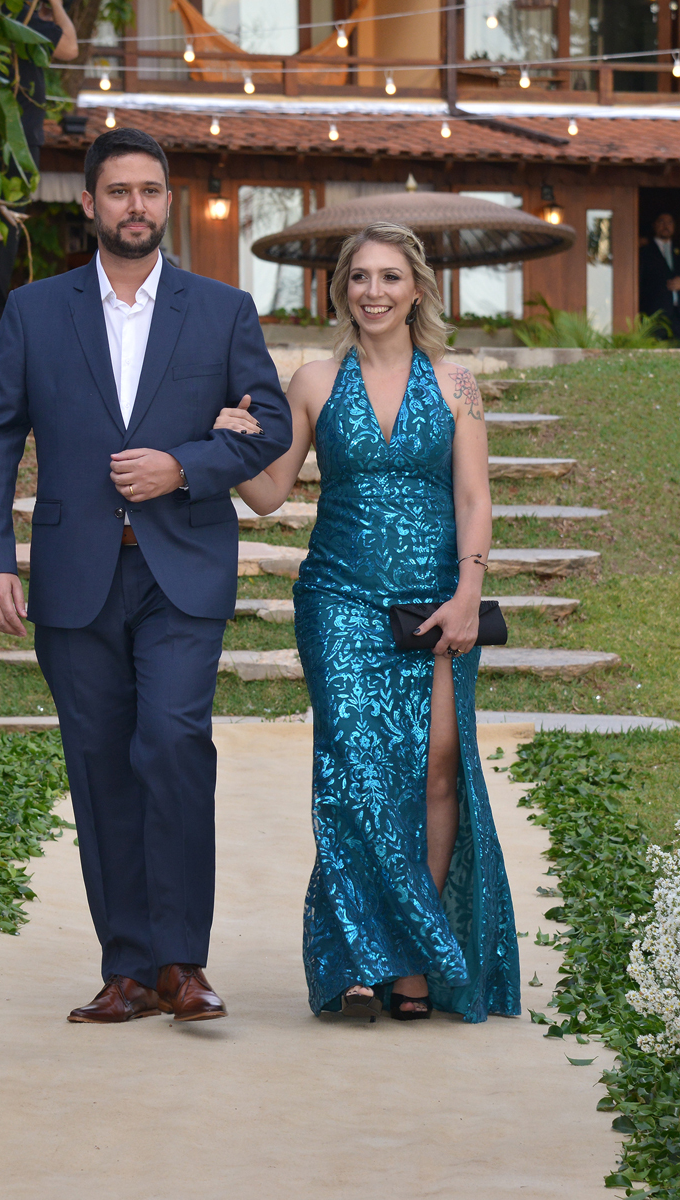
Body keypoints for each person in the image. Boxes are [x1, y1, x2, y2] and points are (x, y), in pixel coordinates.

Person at [0, 128, 292, 1023]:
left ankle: (183, 963)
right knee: (100, 762)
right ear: (91, 203)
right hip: (75, 576)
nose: (136, 206)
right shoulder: (35, 312)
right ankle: (128, 969)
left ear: (167, 201)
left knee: (174, 744)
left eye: (150, 191)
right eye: (119, 192)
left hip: (181, 570)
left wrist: (184, 465)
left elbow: (269, 431)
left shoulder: (222, 310)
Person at [213, 222, 521, 1023]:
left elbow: (475, 500)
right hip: (341, 601)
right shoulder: (314, 379)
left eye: (390, 277)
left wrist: (466, 592)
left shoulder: (458, 385)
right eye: (359, 278)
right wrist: (232, 443)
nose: (373, 292)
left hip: (436, 600)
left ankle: (414, 959)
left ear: (416, 289)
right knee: (354, 774)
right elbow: (273, 493)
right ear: (340, 289)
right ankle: (359, 957)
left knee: (438, 772)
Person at [0, 0, 79, 339]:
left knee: (1, 228)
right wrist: (57, 6)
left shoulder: (1, 13)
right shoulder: (12, 14)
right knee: (1, 226)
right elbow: (70, 47)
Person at [639, 212, 680, 340]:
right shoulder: (644, 251)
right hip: (654, 314)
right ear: (654, 225)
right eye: (661, 222)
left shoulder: (678, 249)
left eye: (669, 222)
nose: (665, 226)